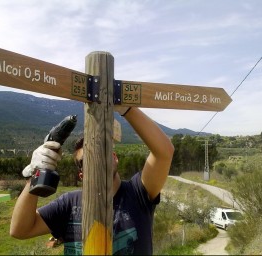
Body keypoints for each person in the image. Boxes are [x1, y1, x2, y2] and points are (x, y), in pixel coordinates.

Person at [10, 107, 174, 255]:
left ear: (115, 158)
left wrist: (127, 108)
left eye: (103, 151)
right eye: (86, 160)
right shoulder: (69, 204)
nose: (96, 159)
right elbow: (19, 229)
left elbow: (164, 152)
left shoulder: (138, 192)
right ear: (82, 175)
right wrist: (35, 175)